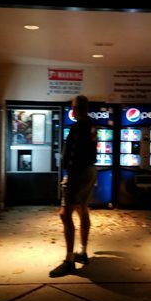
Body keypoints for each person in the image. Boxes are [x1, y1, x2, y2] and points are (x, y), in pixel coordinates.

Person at [49, 95, 98, 277]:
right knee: (82, 209)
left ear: (75, 109)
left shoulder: (78, 127)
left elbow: (71, 154)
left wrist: (68, 174)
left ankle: (69, 261)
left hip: (78, 172)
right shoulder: (92, 125)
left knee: (65, 213)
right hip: (91, 170)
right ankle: (82, 252)